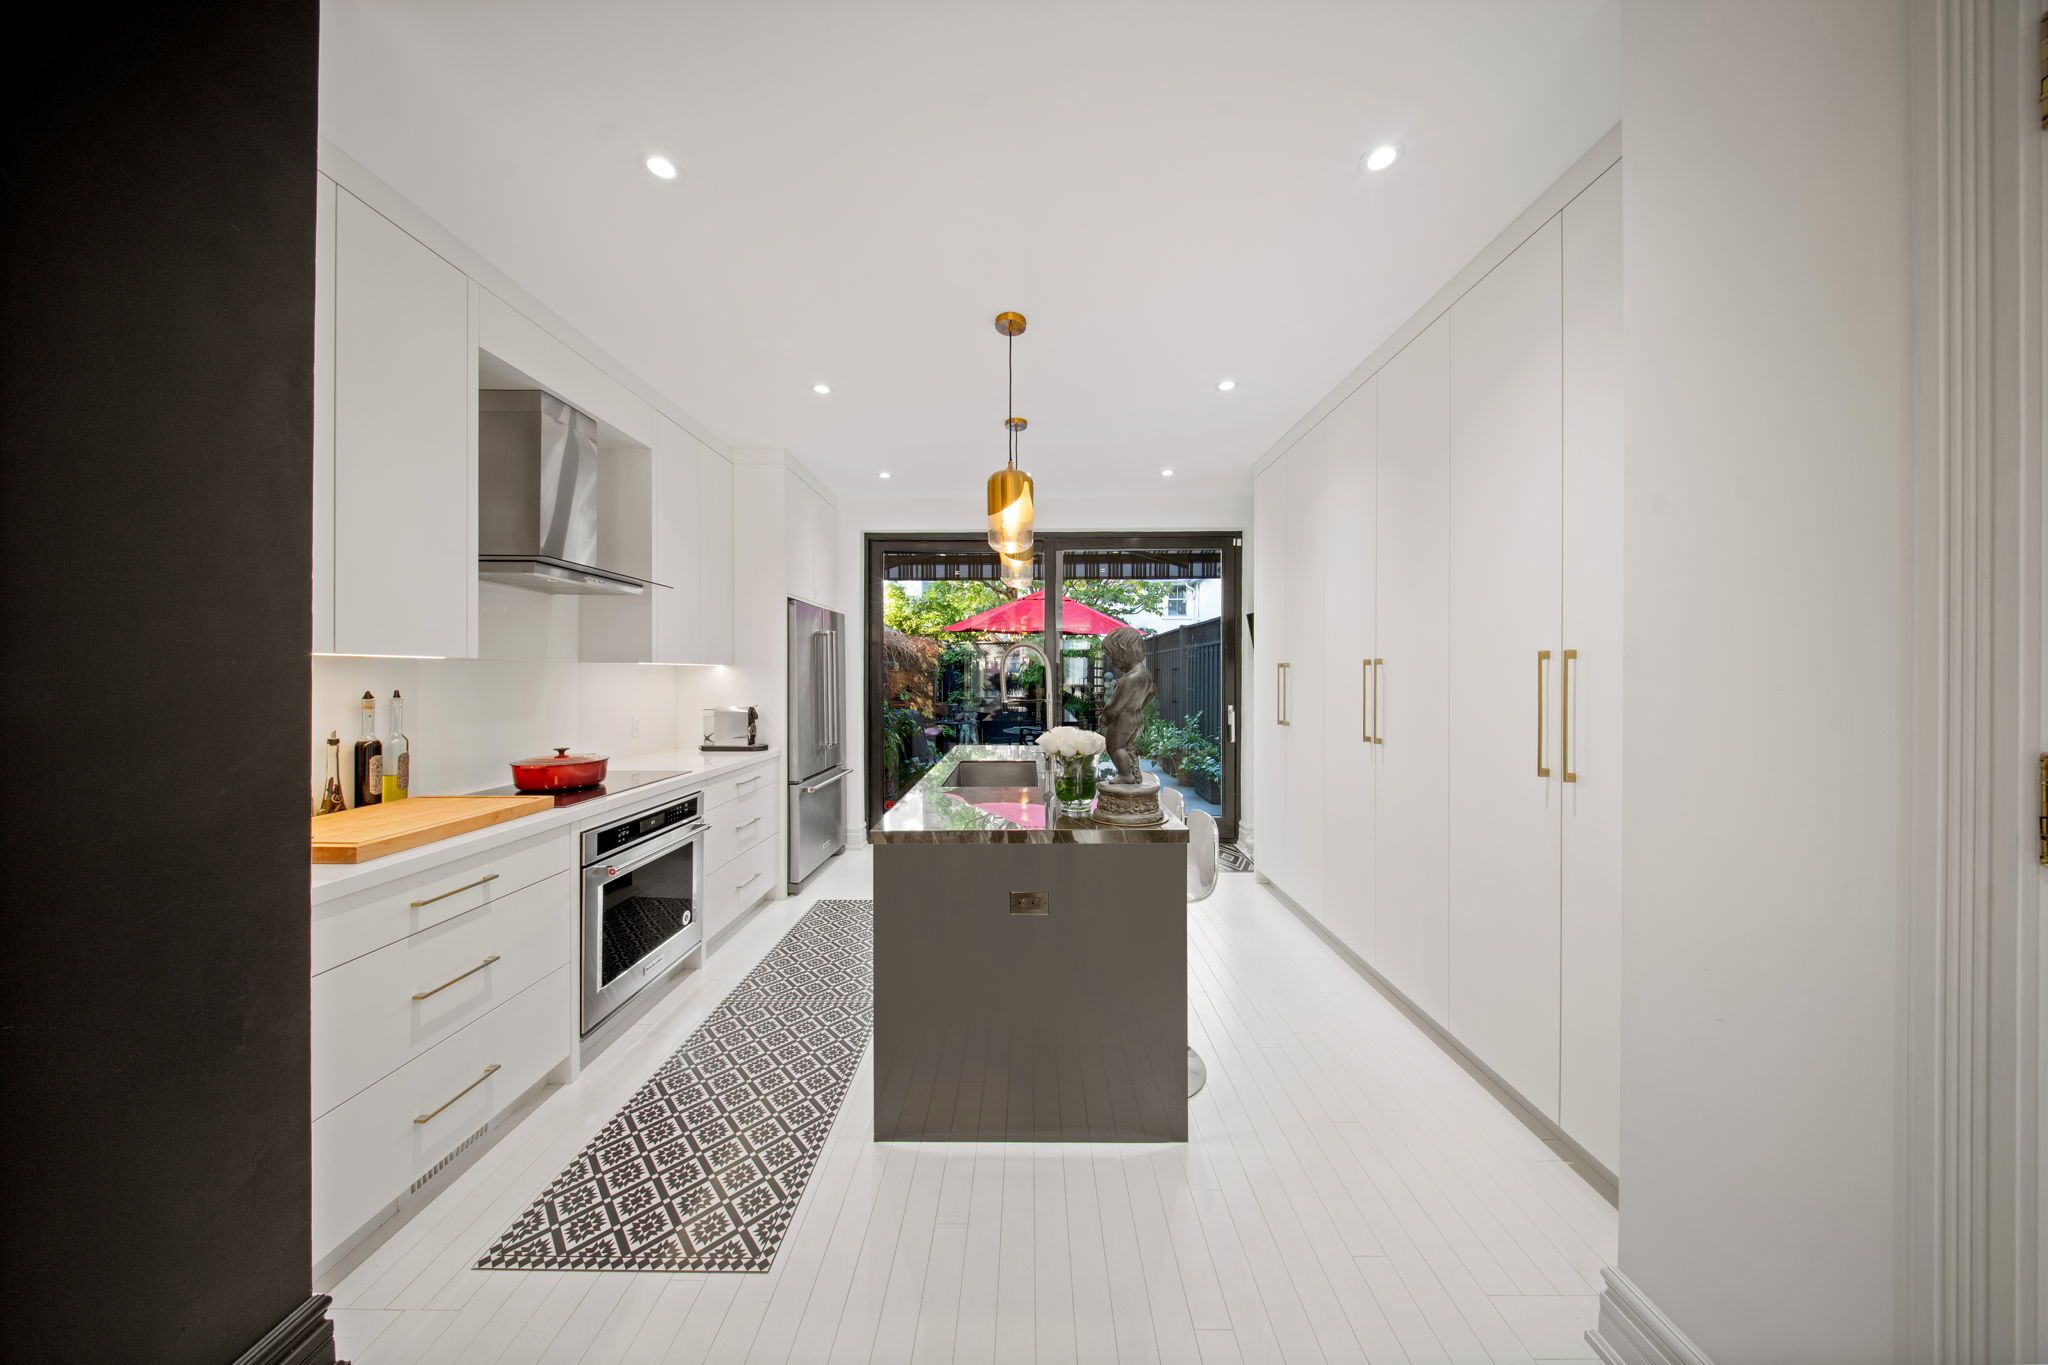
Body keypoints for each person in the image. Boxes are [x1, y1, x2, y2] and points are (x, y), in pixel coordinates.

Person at [1099, 626, 1155, 783]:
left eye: (1112, 656)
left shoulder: (1127, 679)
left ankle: (1125, 775)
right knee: (1126, 747)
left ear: (1123, 653)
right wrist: (1139, 706)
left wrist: (1104, 718)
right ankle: (1133, 773)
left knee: (1114, 748)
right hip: (1136, 717)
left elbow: (1114, 707)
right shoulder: (1145, 674)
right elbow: (1152, 692)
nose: (1111, 661)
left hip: (1122, 721)